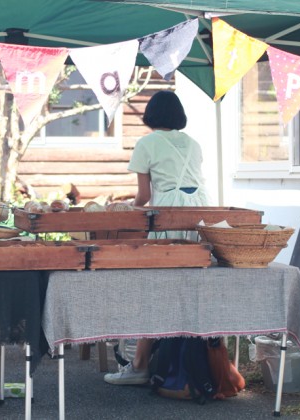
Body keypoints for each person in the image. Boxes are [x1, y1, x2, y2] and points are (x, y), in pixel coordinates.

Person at [104, 90, 209, 385]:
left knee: (157, 288)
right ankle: (195, 363)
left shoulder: (147, 143)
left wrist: (126, 208)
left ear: (150, 115)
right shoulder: (193, 143)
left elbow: (145, 196)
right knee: (192, 288)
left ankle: (139, 366)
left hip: (169, 216)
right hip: (201, 212)